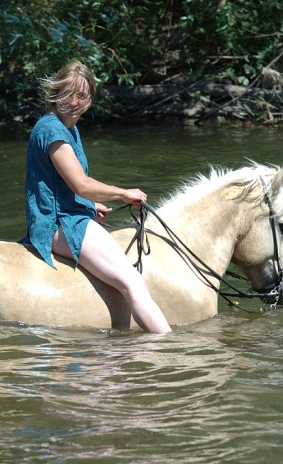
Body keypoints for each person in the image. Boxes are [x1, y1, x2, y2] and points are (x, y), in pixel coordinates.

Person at [24, 60, 172, 334]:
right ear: (55, 93)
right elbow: (80, 184)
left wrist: (91, 206)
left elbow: (58, 186)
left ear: (90, 99)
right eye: (67, 93)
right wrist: (122, 193)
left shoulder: (68, 128)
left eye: (81, 95)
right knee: (134, 282)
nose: (73, 101)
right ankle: (165, 348)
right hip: (60, 225)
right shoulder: (53, 130)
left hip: (70, 215)